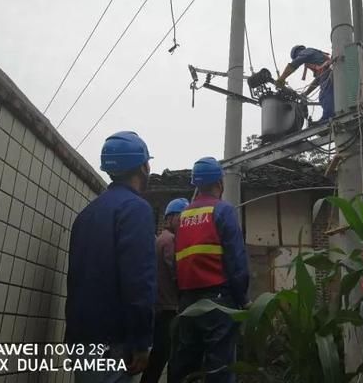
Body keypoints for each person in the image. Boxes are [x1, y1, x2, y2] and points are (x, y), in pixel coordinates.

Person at [65, 131, 156, 383]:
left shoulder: (86, 214)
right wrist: (141, 340)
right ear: (143, 166)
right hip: (114, 343)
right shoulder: (136, 210)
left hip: (82, 339)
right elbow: (139, 281)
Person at [169, 157, 249, 383]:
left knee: (186, 367)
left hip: (187, 303)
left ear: (196, 184)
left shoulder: (183, 216)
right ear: (220, 184)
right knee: (220, 369)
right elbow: (236, 259)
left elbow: (177, 261)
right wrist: (243, 298)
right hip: (218, 301)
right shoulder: (223, 210)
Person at [140, 198, 189, 383]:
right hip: (168, 307)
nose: (184, 222)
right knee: (162, 357)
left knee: (160, 358)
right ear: (171, 218)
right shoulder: (170, 240)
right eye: (181, 217)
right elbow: (175, 271)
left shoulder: (162, 239)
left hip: (161, 306)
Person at [275, 44, 335, 123]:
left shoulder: (306, 51)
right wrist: (306, 93)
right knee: (327, 94)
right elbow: (317, 80)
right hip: (329, 74)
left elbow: (294, 64)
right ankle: (332, 114)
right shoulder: (316, 58)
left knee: (324, 95)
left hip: (328, 73)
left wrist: (281, 78)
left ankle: (328, 117)